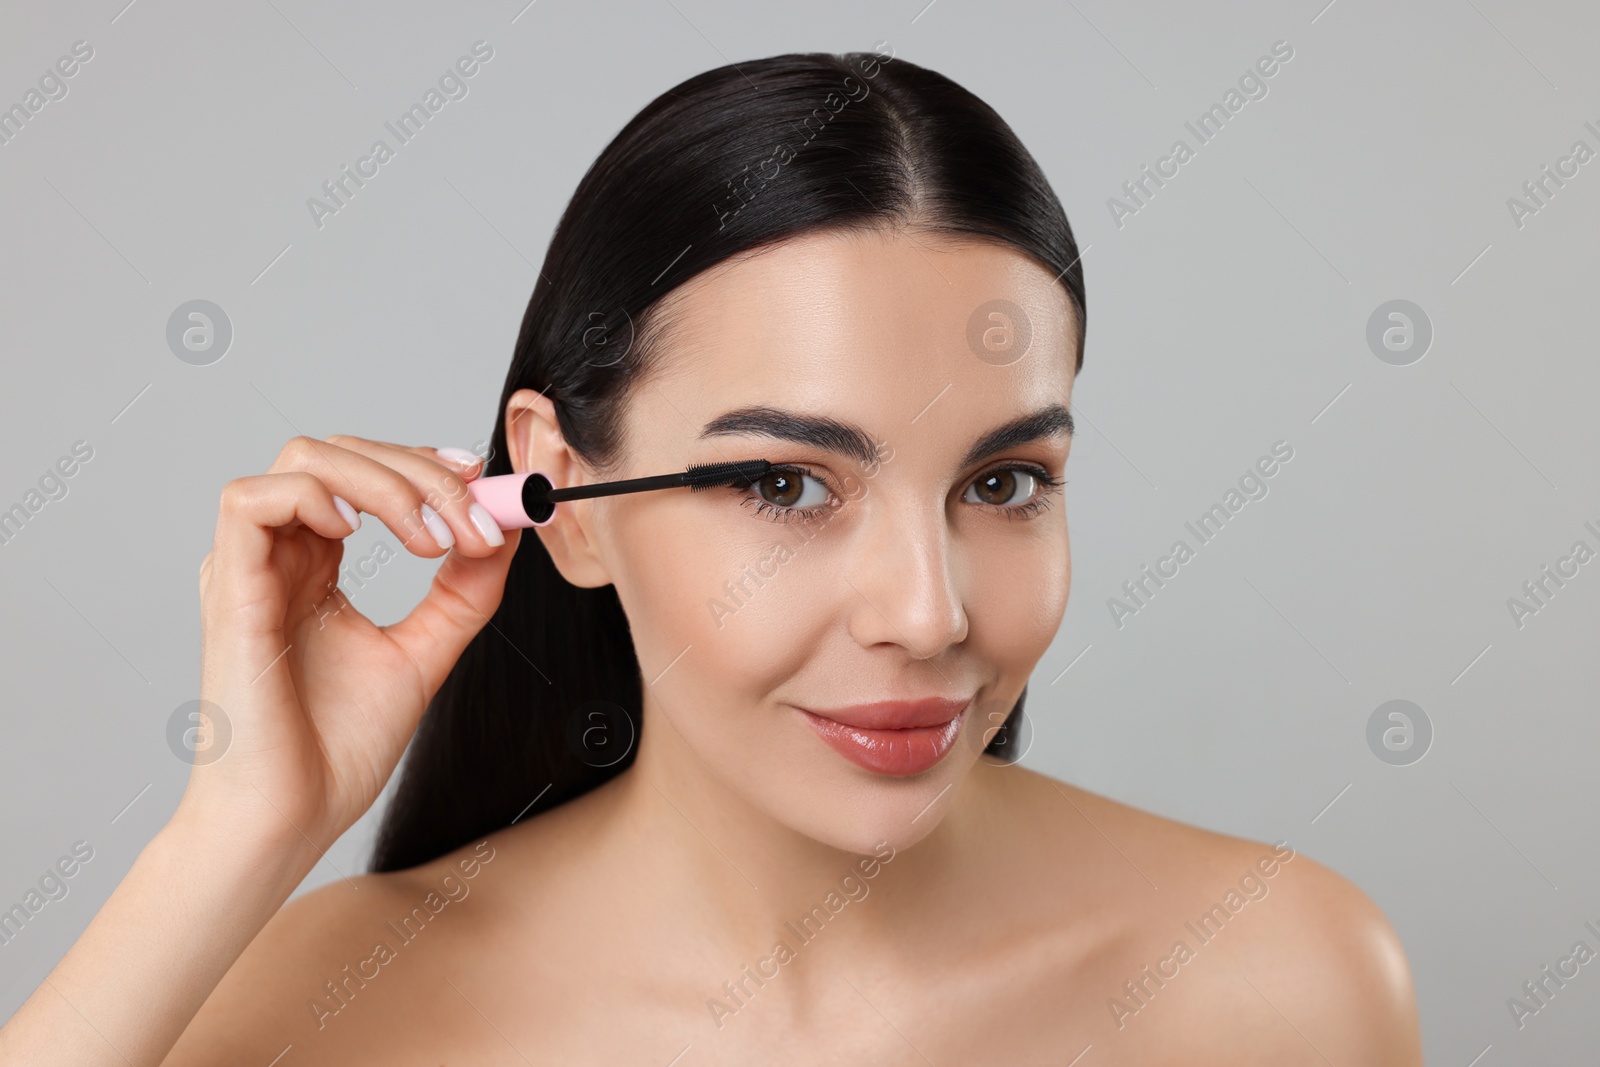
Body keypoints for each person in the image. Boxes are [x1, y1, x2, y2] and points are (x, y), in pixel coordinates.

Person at [0, 49, 1422, 1064]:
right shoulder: (308, 1010)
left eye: (1004, 480)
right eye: (787, 483)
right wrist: (228, 844)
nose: (926, 614)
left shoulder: (1271, 978)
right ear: (566, 491)